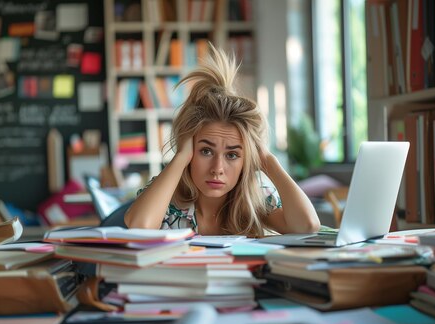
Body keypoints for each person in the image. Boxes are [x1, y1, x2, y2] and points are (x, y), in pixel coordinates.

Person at [124, 46, 320, 237]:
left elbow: (307, 226)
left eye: (232, 155)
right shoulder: (166, 193)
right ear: (190, 149)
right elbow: (139, 228)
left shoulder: (256, 198)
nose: (217, 168)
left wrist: (269, 161)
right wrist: (181, 157)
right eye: (206, 151)